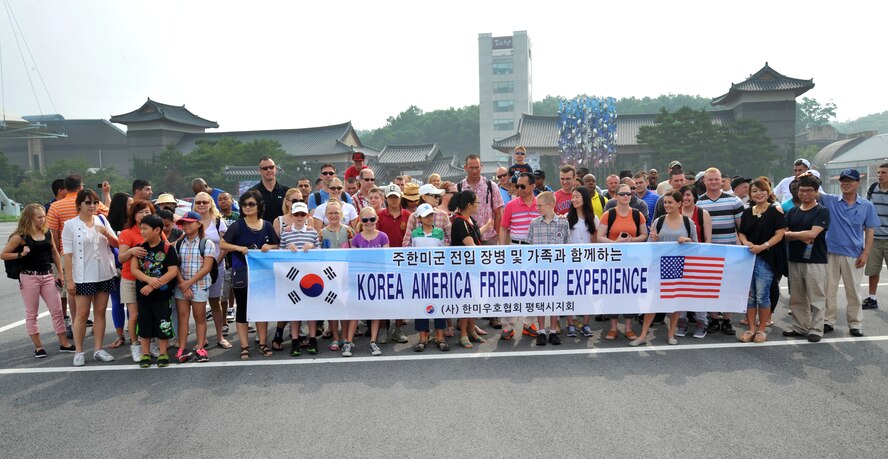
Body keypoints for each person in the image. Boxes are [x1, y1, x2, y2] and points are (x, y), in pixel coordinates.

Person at [2, 204, 73, 358]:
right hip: (29, 277)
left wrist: (60, 273)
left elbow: (54, 252)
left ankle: (64, 343)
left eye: (43, 216)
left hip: (47, 276)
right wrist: (20, 254)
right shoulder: (20, 236)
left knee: (57, 311)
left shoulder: (47, 233)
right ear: (29, 218)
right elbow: (3, 254)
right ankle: (39, 347)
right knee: (32, 313)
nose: (43, 219)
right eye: (39, 217)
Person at [220, 190, 280, 360]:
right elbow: (223, 244)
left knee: (262, 309)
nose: (247, 207)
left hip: (263, 274)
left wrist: (270, 247)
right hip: (242, 273)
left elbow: (277, 244)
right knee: (242, 310)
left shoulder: (267, 225)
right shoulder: (237, 225)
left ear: (259, 205)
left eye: (251, 204)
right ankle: (244, 346)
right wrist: (239, 249)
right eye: (244, 204)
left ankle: (262, 343)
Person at [61, 189, 119, 366]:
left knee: (100, 312)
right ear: (79, 205)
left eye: (95, 202)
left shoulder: (102, 220)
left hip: (104, 273)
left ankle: (98, 349)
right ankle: (79, 351)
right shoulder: (70, 225)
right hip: (83, 276)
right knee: (82, 314)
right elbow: (68, 255)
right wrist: (69, 280)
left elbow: (116, 243)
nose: (92, 206)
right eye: (88, 202)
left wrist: (106, 233)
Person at [817, 169, 878, 337]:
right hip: (830, 253)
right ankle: (828, 321)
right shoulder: (830, 200)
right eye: (843, 181)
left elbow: (870, 230)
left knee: (854, 292)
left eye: (850, 181)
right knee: (828, 290)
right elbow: (813, 191)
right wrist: (808, 175)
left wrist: (865, 253)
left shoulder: (867, 205)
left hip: (854, 255)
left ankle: (855, 324)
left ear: (858, 183)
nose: (845, 184)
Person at [47, 175, 110, 329]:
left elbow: (53, 235)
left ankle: (76, 324)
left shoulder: (56, 206)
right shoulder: (94, 202)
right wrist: (106, 194)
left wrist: (56, 255)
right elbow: (107, 214)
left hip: (66, 254)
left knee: (71, 290)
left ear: (66, 188)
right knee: (97, 293)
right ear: (81, 186)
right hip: (93, 254)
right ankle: (96, 325)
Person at [640, 190, 698, 345]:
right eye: (665, 202)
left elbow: (696, 246)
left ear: (679, 204)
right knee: (653, 302)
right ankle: (643, 334)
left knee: (675, 303)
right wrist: (656, 240)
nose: (667, 205)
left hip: (679, 267)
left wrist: (687, 240)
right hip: (659, 267)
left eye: (670, 202)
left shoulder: (688, 222)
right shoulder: (658, 221)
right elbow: (649, 247)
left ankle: (671, 334)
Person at [737, 180, 786, 344]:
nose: (758, 194)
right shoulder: (747, 212)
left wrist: (763, 246)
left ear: (768, 191)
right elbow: (742, 233)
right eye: (754, 191)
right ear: (750, 194)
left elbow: (780, 234)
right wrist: (746, 243)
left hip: (766, 258)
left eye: (762, 190)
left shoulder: (775, 211)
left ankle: (762, 329)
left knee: (762, 296)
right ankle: (751, 328)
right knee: (749, 296)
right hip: (748, 257)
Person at [696, 167, 744, 336]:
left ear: (722, 181)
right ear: (705, 182)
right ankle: (714, 318)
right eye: (710, 179)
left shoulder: (734, 201)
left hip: (730, 251)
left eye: (717, 179)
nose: (714, 182)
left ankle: (728, 320)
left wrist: (743, 248)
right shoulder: (699, 203)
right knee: (711, 287)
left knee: (729, 287)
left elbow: (741, 228)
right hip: (709, 252)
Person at [783, 174, 830, 342]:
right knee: (796, 297)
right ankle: (800, 327)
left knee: (816, 297)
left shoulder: (822, 211)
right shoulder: (793, 211)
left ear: (816, 192)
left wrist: (792, 234)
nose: (805, 194)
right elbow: (784, 233)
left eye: (810, 191)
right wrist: (799, 235)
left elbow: (813, 234)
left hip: (815, 260)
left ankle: (816, 329)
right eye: (802, 190)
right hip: (794, 258)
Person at [597, 183, 647, 341]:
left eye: (628, 193)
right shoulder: (608, 214)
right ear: (616, 196)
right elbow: (600, 237)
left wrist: (632, 240)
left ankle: (628, 327)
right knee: (612, 293)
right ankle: (612, 328)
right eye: (623, 194)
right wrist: (616, 243)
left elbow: (644, 234)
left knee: (630, 293)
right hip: (613, 259)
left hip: (632, 260)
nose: (626, 196)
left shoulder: (637, 214)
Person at [497, 172, 540, 339]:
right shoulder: (511, 205)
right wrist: (503, 249)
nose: (519, 189)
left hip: (535, 251)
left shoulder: (542, 204)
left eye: (523, 186)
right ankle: (508, 325)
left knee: (534, 288)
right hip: (516, 248)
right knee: (511, 288)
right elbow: (503, 227)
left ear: (532, 186)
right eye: (517, 186)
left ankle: (530, 323)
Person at [130, 214, 177, 368]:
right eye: (141, 228)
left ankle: (163, 352)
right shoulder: (139, 249)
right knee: (144, 325)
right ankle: (145, 354)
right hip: (143, 296)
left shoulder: (167, 248)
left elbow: (172, 272)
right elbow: (134, 269)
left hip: (162, 296)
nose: (142, 231)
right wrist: (148, 280)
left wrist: (152, 285)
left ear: (157, 230)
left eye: (145, 229)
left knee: (163, 323)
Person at [450, 190, 494, 348]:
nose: (478, 205)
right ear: (469, 205)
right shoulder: (459, 222)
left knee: (476, 300)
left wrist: (487, 227)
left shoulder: (469, 219)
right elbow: (472, 246)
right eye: (476, 203)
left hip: (474, 268)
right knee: (466, 301)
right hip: (464, 269)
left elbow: (475, 236)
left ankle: (471, 329)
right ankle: (463, 333)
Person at [117, 199, 159, 362]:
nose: (143, 215)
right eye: (140, 212)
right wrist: (132, 251)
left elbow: (166, 247)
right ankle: (135, 345)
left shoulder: (157, 230)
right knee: (134, 315)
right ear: (133, 215)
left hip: (151, 279)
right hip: (130, 279)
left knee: (152, 314)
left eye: (147, 212)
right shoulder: (127, 233)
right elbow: (121, 258)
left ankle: (151, 343)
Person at [527, 191, 569, 346]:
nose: (537, 208)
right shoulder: (534, 223)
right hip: (539, 268)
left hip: (557, 268)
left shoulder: (563, 223)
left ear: (550, 205)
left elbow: (567, 246)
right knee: (540, 299)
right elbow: (529, 247)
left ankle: (552, 330)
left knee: (554, 299)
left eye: (540, 205)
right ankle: (540, 331)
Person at [172, 211, 215, 363]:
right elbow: (174, 265)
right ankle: (182, 349)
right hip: (181, 285)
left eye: (189, 222)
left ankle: (200, 348)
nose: (186, 225)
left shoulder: (206, 242)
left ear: (198, 224)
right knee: (183, 318)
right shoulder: (178, 243)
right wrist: (183, 283)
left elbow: (207, 267)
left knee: (200, 317)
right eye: (184, 223)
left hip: (199, 285)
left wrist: (187, 283)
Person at [278, 201, 319, 356]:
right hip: (292, 276)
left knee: (311, 308)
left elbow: (320, 250)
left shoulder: (313, 232)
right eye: (297, 214)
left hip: (309, 275)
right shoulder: (286, 233)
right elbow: (280, 252)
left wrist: (313, 247)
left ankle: (313, 339)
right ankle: (295, 340)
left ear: (307, 216)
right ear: (292, 216)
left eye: (302, 214)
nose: (299, 217)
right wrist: (287, 249)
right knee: (294, 308)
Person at [349, 206, 391, 356]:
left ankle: (373, 341)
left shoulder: (383, 236)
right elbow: (354, 261)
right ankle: (348, 342)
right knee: (356, 311)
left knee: (375, 312)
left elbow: (386, 259)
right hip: (361, 279)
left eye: (372, 219)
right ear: (360, 220)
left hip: (378, 279)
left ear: (376, 219)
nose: (369, 222)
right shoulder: (356, 238)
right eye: (365, 220)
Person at [192, 192, 230, 349]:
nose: (201, 204)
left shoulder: (219, 222)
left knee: (215, 303)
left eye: (204, 202)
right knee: (198, 305)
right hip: (195, 269)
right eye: (198, 202)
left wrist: (216, 262)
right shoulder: (192, 221)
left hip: (216, 268)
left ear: (210, 204)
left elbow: (225, 245)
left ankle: (220, 336)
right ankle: (202, 338)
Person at [565, 186, 598, 338]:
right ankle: (571, 324)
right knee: (571, 293)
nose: (574, 200)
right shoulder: (567, 218)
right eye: (573, 197)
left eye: (577, 196)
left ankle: (585, 324)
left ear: (585, 198)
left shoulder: (593, 218)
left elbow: (595, 240)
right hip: (571, 261)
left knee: (587, 294)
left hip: (588, 262)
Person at [106, 192, 132, 347]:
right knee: (117, 303)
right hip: (114, 270)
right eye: (129, 204)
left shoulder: (135, 224)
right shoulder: (109, 226)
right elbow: (108, 248)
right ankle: (120, 335)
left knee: (132, 303)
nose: (132, 207)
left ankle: (133, 333)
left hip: (132, 269)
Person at [460, 155, 504, 245]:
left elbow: (498, 213)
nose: (475, 171)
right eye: (471, 168)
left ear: (481, 166)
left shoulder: (491, 186)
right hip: (467, 239)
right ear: (465, 168)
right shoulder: (459, 187)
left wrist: (497, 235)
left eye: (477, 167)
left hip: (489, 237)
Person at [863, 163, 888, 310]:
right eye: (879, 172)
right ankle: (872, 298)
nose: (880, 175)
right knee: (873, 270)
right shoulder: (872, 189)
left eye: (884, 172)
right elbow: (865, 208)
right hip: (874, 238)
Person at [249, 157, 289, 222]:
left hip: (283, 230)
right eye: (265, 168)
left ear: (275, 168)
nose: (269, 170)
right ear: (259, 171)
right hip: (261, 230)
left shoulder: (286, 191)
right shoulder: (252, 193)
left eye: (271, 167)